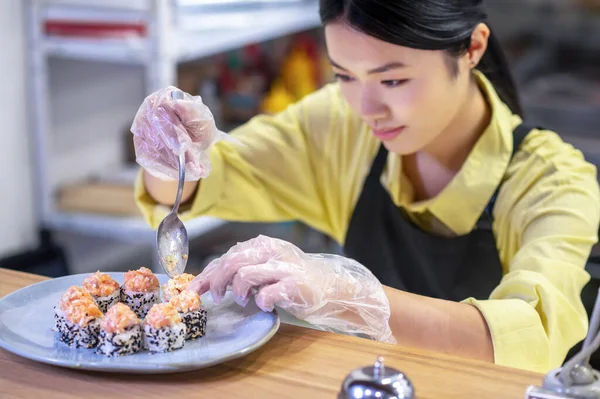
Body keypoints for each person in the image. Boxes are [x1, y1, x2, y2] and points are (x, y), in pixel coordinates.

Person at [131, 0, 600, 374]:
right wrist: (169, 152)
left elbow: (533, 337)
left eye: (392, 79)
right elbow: (210, 177)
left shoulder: (554, 181)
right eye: (344, 76)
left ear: (473, 48)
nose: (366, 107)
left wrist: (349, 297)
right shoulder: (342, 123)